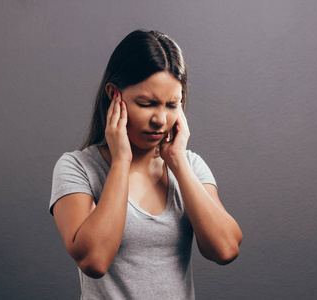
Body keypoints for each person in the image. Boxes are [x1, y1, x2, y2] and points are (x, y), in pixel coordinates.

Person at [49, 29, 242, 299]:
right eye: (147, 103)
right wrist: (121, 162)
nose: (161, 119)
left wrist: (177, 162)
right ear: (114, 95)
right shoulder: (77, 168)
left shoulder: (191, 166)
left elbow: (225, 249)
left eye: (172, 104)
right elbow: (94, 260)